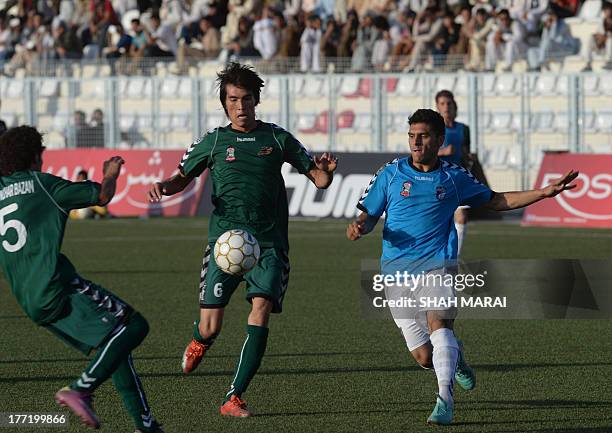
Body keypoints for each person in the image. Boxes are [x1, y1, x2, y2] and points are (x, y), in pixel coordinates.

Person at [346, 109, 578, 425]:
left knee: (440, 326)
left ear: (440, 140)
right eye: (412, 135)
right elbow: (369, 214)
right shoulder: (390, 173)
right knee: (424, 356)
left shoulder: (453, 177)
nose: (416, 142)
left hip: (438, 264)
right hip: (395, 273)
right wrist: (360, 225)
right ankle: (456, 357)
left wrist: (543, 193)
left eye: (423, 135)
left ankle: (444, 400)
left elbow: (496, 201)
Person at [147, 62, 338, 417]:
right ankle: (200, 340)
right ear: (224, 103)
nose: (240, 106)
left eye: (246, 99)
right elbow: (181, 178)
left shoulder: (278, 138)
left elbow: (319, 181)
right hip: (224, 244)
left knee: (260, 310)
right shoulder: (214, 141)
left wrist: (324, 172)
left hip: (268, 245)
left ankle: (234, 395)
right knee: (211, 325)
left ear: (256, 100)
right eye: (233, 100)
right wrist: (163, 186)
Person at [0, 126, 164, 433]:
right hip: (57, 287)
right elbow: (103, 195)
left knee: (112, 344)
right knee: (134, 325)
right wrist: (111, 172)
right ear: (35, 156)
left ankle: (147, 426)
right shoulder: (42, 184)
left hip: (28, 300)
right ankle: (80, 389)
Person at [435, 90, 470, 255]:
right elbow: (421, 154)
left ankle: (454, 260)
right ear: (437, 107)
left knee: (461, 217)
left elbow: (466, 152)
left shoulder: (463, 129)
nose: (446, 107)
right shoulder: (433, 128)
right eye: (442, 104)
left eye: (448, 103)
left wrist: (468, 157)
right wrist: (443, 152)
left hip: (457, 179)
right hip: (437, 179)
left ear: (454, 105)